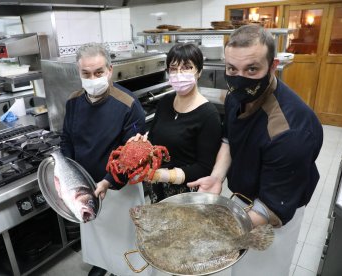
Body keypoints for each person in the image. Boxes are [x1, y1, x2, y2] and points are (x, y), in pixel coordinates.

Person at [188, 25, 323, 276]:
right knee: (238, 267)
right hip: (244, 197)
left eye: (252, 69)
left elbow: (271, 207)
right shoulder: (236, 97)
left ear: (272, 67)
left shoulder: (289, 131)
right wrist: (217, 177)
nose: (239, 79)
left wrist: (218, 230)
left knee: (261, 270)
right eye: (232, 69)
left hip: (275, 206)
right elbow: (229, 140)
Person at [60, 42, 150, 276]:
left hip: (120, 188)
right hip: (85, 185)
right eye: (86, 74)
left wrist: (109, 180)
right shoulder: (73, 102)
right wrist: (68, 173)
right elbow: (67, 140)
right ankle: (101, 264)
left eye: (99, 72)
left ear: (110, 70)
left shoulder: (128, 105)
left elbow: (133, 156)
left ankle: (127, 270)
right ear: (79, 72)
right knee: (96, 233)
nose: (93, 78)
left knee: (125, 238)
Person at [133, 43, 222, 203]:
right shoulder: (166, 102)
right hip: (158, 187)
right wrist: (141, 146)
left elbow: (204, 167)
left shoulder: (208, 115)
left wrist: (166, 175)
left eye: (187, 67)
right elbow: (154, 140)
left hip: (187, 192)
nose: (179, 74)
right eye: (173, 69)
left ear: (199, 72)